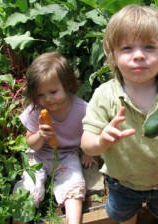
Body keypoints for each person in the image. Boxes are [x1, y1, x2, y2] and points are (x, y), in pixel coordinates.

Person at [81, 5, 158, 224]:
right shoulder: (104, 95)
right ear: (113, 54)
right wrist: (101, 140)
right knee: (126, 217)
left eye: (149, 47)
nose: (138, 55)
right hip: (124, 181)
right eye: (127, 48)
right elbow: (87, 144)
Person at [13, 52, 96, 224]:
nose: (47, 99)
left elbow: (90, 131)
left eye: (52, 92)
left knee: (74, 185)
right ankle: (20, 218)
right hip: (39, 156)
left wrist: (88, 152)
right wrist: (40, 136)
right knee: (29, 188)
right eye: (41, 95)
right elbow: (31, 144)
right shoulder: (35, 110)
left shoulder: (81, 109)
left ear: (67, 85)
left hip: (67, 156)